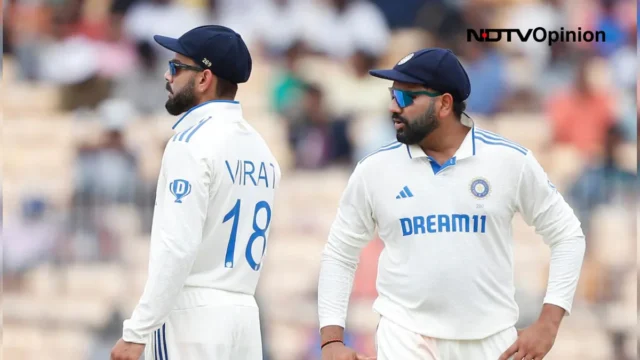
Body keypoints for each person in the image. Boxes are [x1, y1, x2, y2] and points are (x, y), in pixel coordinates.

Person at [317, 48, 586, 360]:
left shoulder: (509, 161)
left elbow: (568, 235)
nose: (393, 107)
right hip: (405, 336)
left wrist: (549, 324)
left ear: (444, 104)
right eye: (392, 95)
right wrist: (331, 341)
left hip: (490, 341)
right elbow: (339, 253)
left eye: (405, 98)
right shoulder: (374, 169)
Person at [110, 25, 281, 360]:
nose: (167, 75)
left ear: (204, 79)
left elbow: (178, 248)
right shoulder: (262, 150)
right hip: (245, 315)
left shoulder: (190, 143)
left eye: (176, 67)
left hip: (193, 316)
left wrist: (137, 331)